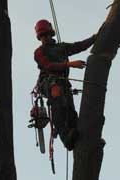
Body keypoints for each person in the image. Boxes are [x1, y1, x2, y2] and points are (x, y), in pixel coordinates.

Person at [34, 19, 96, 150]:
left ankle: (80, 137)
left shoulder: (61, 48)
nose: (44, 38)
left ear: (51, 34)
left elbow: (79, 46)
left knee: (70, 110)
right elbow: (48, 66)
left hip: (63, 83)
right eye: (41, 36)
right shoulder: (39, 52)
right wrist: (69, 64)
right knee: (56, 93)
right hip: (47, 81)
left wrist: (95, 38)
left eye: (46, 35)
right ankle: (65, 136)